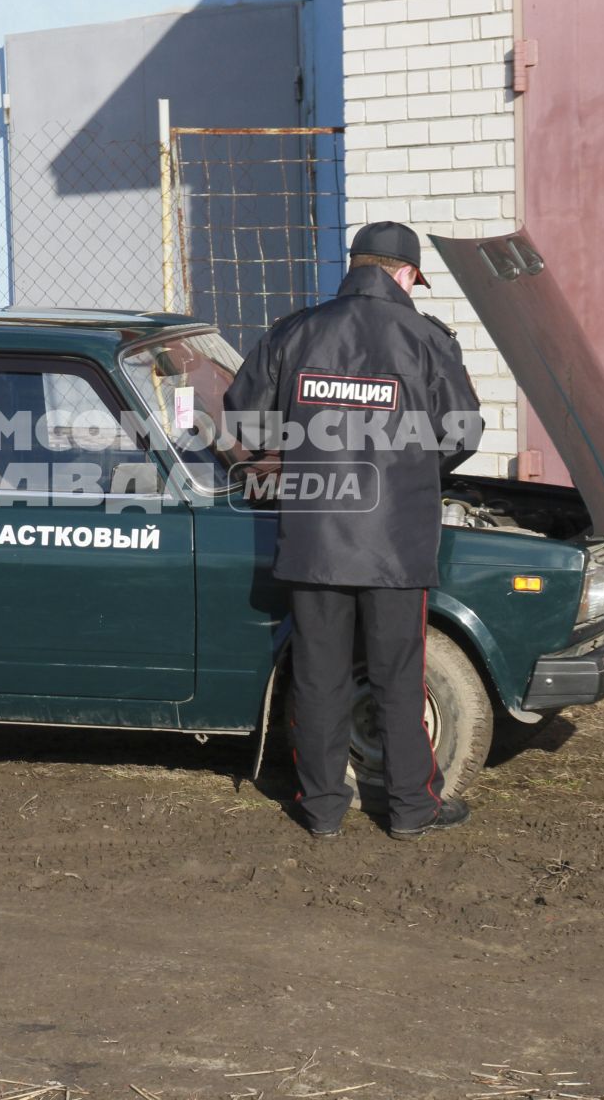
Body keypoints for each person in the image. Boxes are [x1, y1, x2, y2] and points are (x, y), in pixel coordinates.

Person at [225, 222, 483, 841]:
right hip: (395, 545)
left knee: (318, 677)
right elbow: (464, 434)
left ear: (357, 265)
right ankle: (411, 811)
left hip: (315, 542)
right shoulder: (427, 339)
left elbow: (246, 421)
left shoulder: (297, 330)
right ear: (403, 274)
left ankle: (320, 811)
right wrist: (413, 469)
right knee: (399, 677)